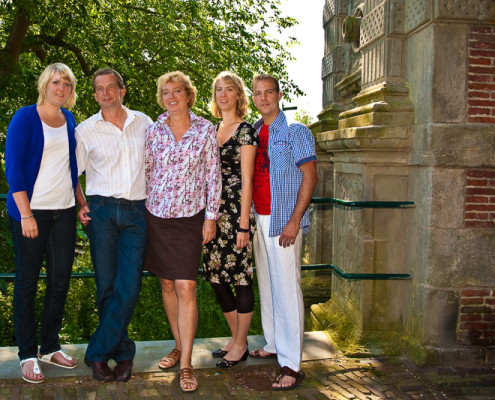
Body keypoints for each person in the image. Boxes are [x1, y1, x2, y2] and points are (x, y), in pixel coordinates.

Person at [144, 70, 221, 392]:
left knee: (186, 287)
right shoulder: (153, 130)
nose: (171, 96)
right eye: (166, 92)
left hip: (191, 217)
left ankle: (187, 364)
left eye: (177, 91)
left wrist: (211, 217)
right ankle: (178, 345)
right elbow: (147, 171)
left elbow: (213, 175)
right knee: (166, 284)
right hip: (157, 216)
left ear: (188, 95)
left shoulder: (205, 130)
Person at [75, 68, 151, 383]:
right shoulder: (85, 130)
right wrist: (81, 203)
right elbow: (73, 173)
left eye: (110, 87)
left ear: (122, 90)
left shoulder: (144, 123)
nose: (105, 93)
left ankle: (96, 352)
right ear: (94, 95)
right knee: (106, 285)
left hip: (136, 212)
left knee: (129, 286)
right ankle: (123, 353)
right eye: (99, 89)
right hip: (102, 211)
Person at [5, 63, 79, 384]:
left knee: (60, 281)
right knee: (27, 283)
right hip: (31, 213)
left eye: (66, 84)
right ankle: (27, 354)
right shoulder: (25, 117)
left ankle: (50, 347)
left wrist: (81, 202)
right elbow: (14, 168)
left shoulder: (69, 119)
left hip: (64, 213)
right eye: (55, 82)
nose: (61, 88)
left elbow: (71, 167)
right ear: (44, 85)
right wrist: (26, 214)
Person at [249, 74, 318, 390]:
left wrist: (294, 220)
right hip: (258, 220)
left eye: (268, 92)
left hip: (283, 222)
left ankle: (292, 364)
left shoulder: (295, 131)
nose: (262, 98)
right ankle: (274, 343)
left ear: (279, 95)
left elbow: (310, 176)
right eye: (257, 93)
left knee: (287, 290)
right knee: (267, 284)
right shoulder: (254, 132)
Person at [202, 72, 258, 368]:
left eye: (229, 89)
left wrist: (244, 225)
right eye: (218, 90)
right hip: (213, 213)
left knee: (240, 277)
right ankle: (238, 338)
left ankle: (240, 343)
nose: (223, 94)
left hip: (237, 213)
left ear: (238, 95)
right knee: (215, 276)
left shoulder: (246, 131)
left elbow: (247, 180)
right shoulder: (212, 130)